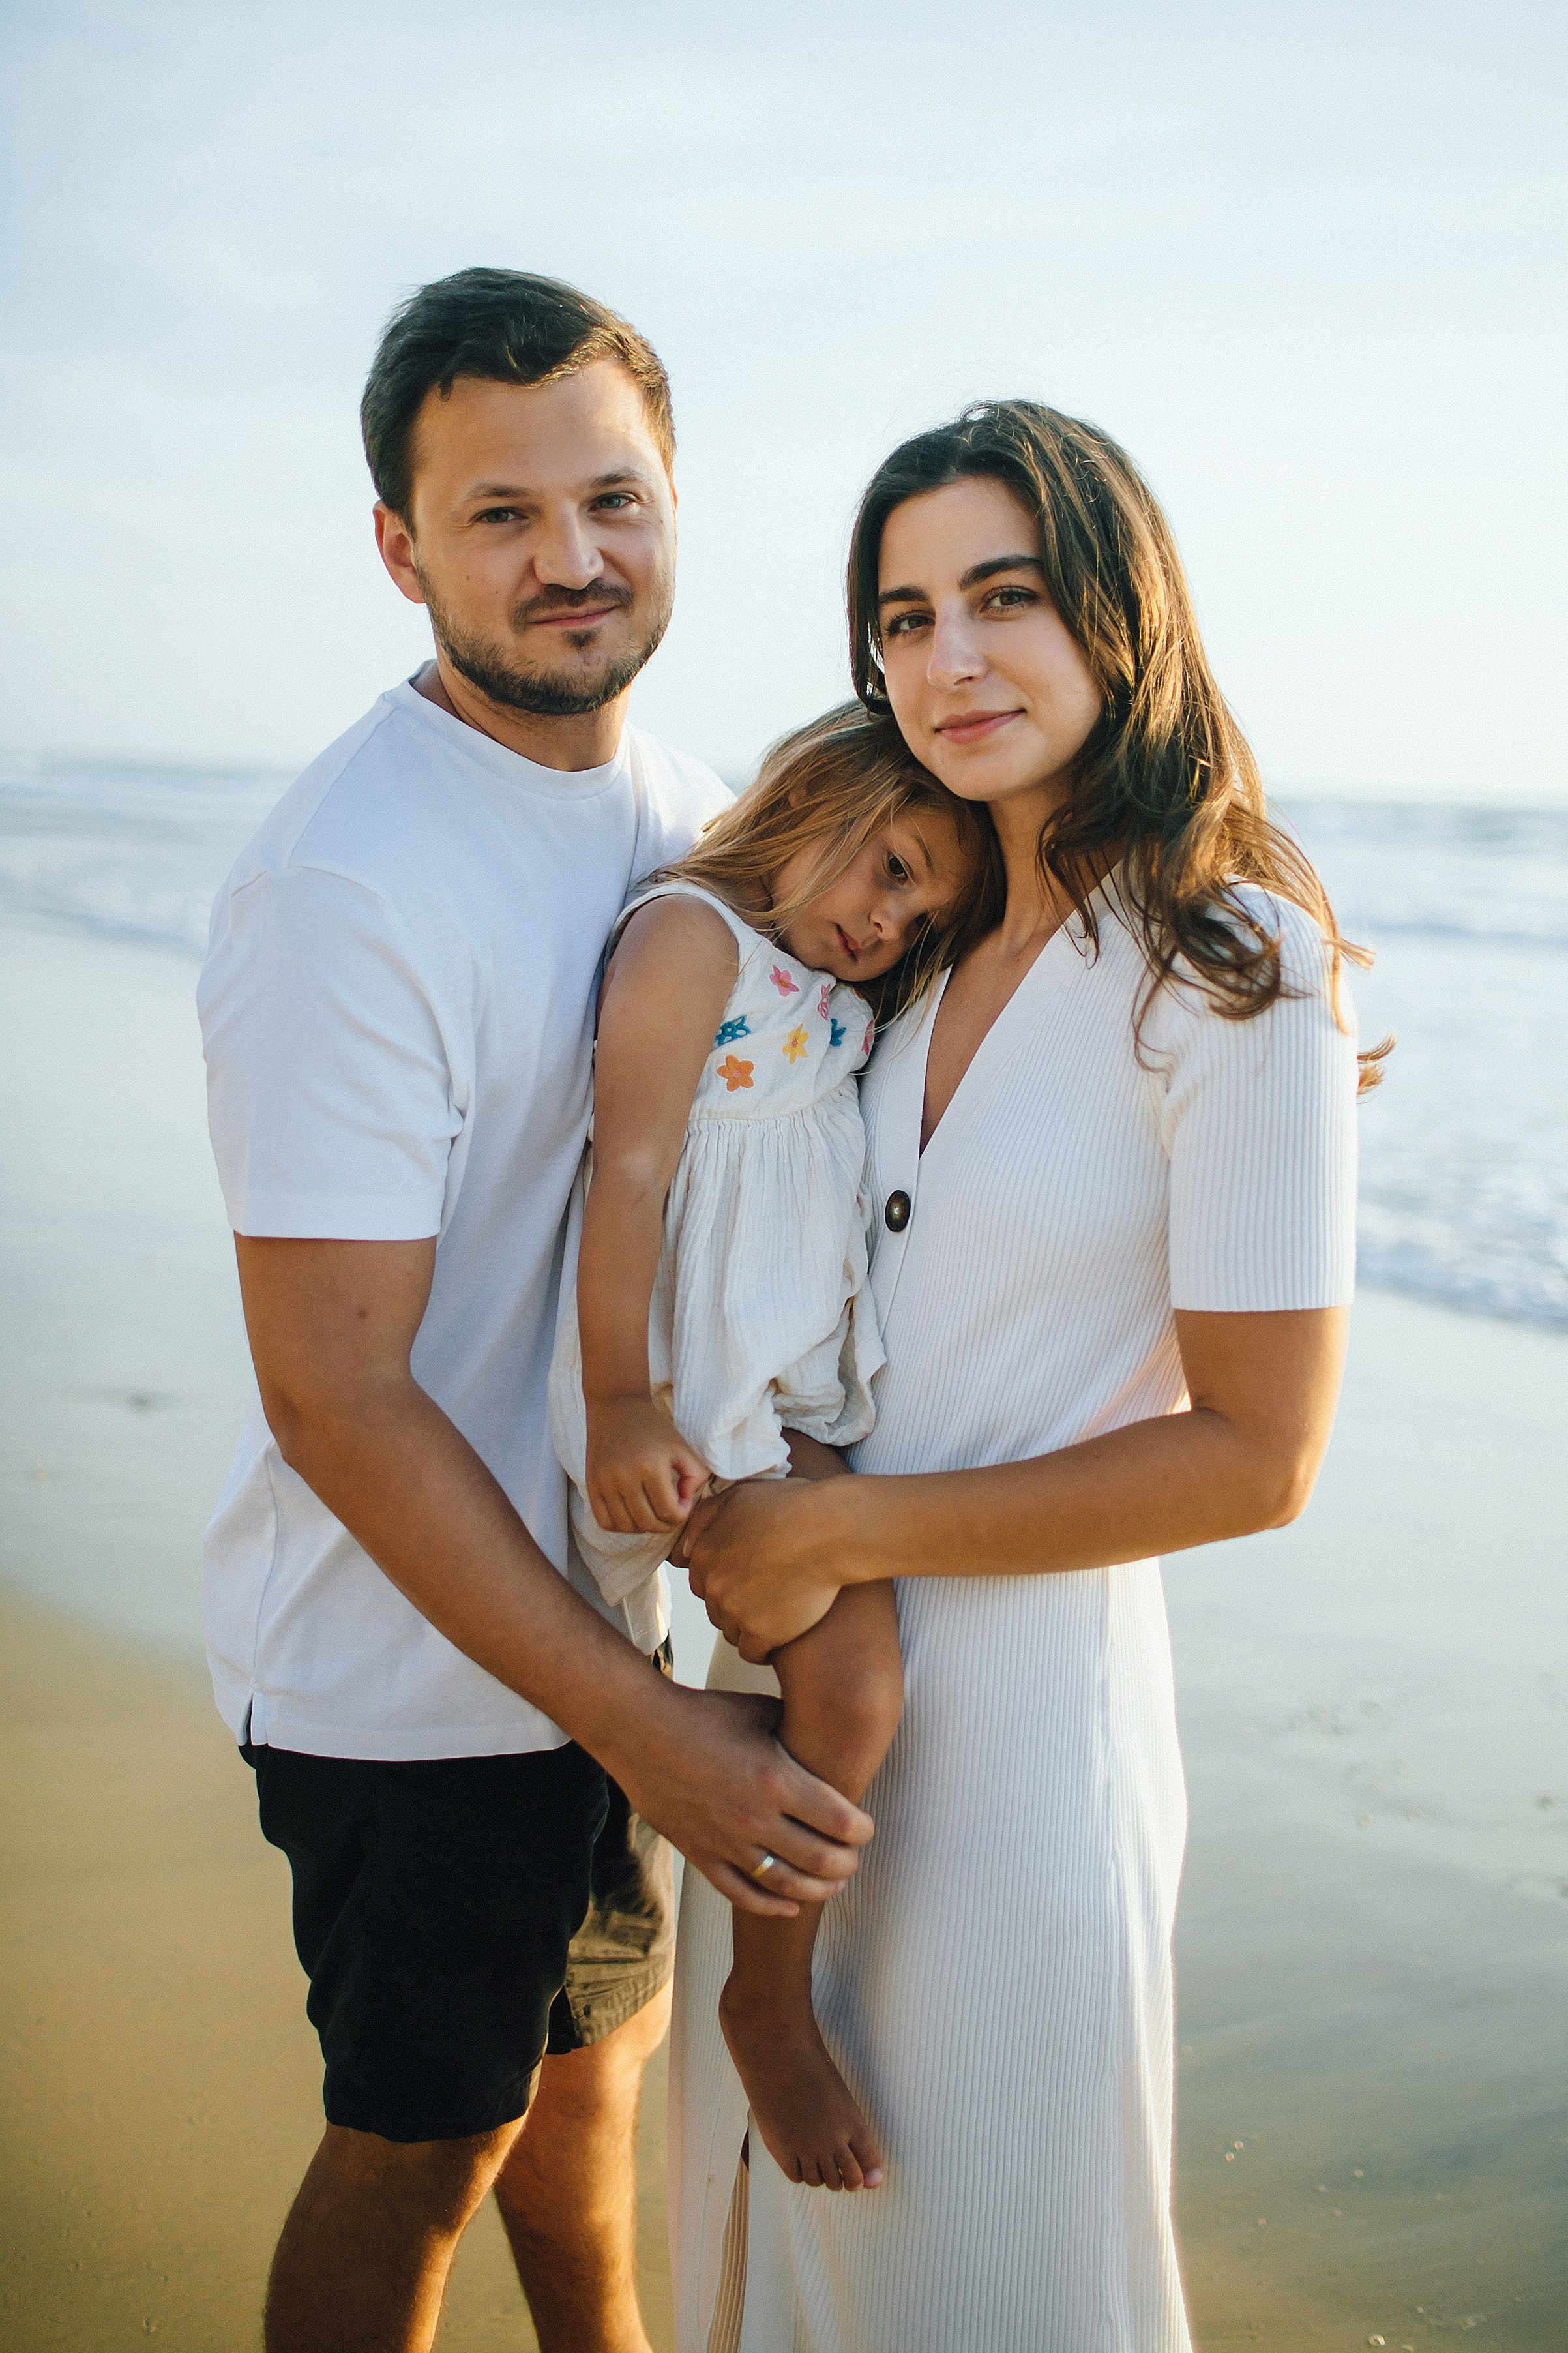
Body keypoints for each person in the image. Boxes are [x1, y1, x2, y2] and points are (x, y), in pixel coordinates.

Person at [196, 267, 873, 2353]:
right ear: (400, 548)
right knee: (422, 2151)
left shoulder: (688, 819)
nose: (570, 558)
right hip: (410, 1686)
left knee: (591, 2117)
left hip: (599, 1640)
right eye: (498, 514)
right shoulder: (350, 884)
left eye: (613, 497)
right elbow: (332, 1394)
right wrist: (644, 1719)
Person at [669, 399, 1380, 2351]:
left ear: (1115, 614)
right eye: (898, 620)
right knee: (753, 2275)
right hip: (787, 1708)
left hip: (1016, 1761)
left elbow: (1256, 1458)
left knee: (987, 2282)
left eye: (1003, 597)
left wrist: (836, 1522)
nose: (947, 660)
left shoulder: (1234, 966)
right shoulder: (911, 940)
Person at [550, 703, 994, 2196]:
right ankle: (767, 1989)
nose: (887, 916)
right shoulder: (694, 939)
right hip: (697, 1403)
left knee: (833, 1683)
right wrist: (624, 1400)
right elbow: (627, 1174)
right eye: (884, 864)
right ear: (802, 795)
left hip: (784, 1401)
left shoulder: (828, 982)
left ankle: (734, 1937)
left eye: (920, 902)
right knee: (856, 1681)